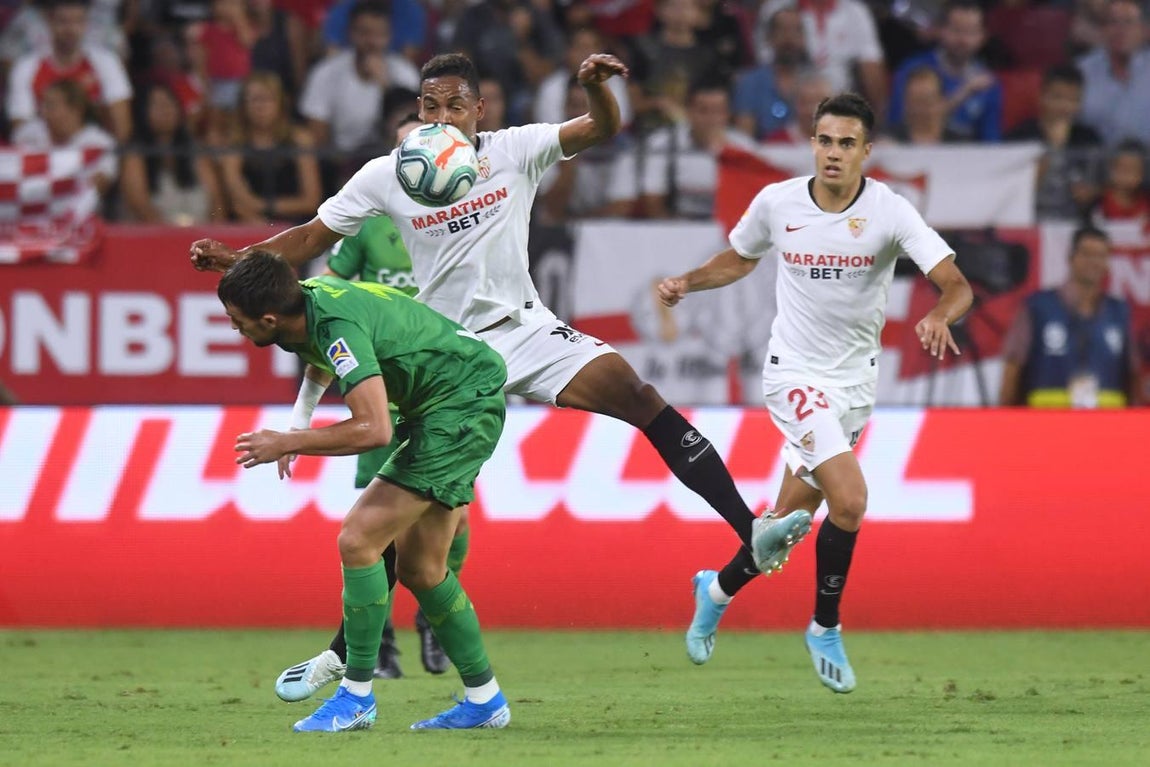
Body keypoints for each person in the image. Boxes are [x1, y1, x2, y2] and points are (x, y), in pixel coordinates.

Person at [192, 51, 793, 698]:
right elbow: (310, 237)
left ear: (480, 110)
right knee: (410, 523)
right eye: (430, 106)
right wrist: (243, 261)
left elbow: (600, 129)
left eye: (455, 106)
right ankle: (346, 652)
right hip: (443, 355)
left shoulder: (514, 150)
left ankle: (748, 530)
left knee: (638, 395)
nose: (441, 118)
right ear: (418, 109)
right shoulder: (387, 174)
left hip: (527, 329)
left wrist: (596, 90)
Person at [657, 92, 973, 693]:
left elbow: (955, 284)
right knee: (849, 502)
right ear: (813, 145)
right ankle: (825, 626)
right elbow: (740, 257)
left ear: (866, 152)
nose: (833, 153)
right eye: (824, 141)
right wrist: (689, 282)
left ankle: (714, 589)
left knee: (783, 527)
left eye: (846, 143)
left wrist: (940, 316)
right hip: (793, 375)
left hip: (855, 385)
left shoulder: (890, 211)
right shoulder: (777, 202)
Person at [219, 251, 511, 732]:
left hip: (457, 406)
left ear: (268, 319)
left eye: (238, 321)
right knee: (421, 568)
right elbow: (324, 355)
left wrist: (288, 442)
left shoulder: (333, 326)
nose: (236, 329)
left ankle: (355, 695)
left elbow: (374, 428)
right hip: (454, 397)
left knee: (358, 539)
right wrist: (301, 418)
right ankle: (484, 700)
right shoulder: (309, 303)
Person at [275, 114, 455, 692]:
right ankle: (374, 644)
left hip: (438, 389)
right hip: (379, 390)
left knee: (448, 527)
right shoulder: (366, 230)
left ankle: (429, 619)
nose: (416, 157)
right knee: (374, 530)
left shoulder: (459, 224)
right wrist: (300, 418)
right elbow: (329, 319)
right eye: (406, 147)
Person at [999, 226, 1141, 408]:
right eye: (1087, 254)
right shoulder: (1038, 307)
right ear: (1071, 257)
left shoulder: (1119, 311)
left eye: (1101, 255)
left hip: (1106, 422)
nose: (1094, 262)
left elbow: (1133, 373)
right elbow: (1013, 367)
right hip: (1046, 421)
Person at [888, 0, 1002, 142]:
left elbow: (991, 142)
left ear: (983, 36)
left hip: (965, 158)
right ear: (941, 30)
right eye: (956, 30)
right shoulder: (911, 70)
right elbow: (897, 125)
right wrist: (963, 92)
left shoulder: (987, 83)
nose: (963, 39)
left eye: (971, 32)